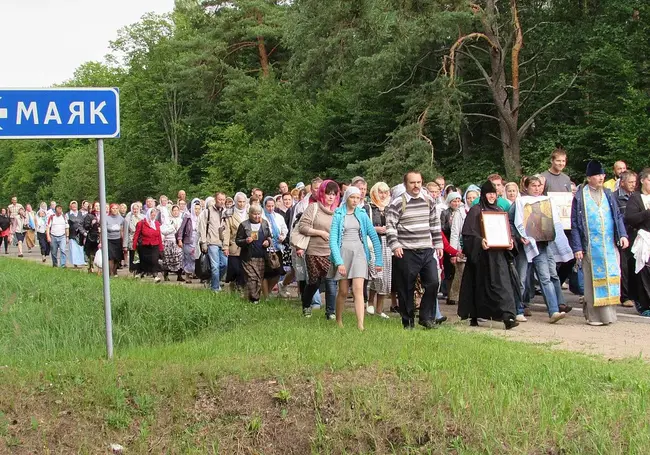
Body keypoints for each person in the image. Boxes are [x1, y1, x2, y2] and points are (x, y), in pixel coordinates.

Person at [570, 160, 629, 326]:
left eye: (602, 174)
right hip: (590, 246)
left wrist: (622, 235)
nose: (601, 178)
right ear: (589, 178)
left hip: (609, 245)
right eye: (597, 175)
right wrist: (577, 247)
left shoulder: (609, 193)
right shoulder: (580, 196)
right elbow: (574, 223)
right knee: (591, 282)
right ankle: (594, 317)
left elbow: (617, 216)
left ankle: (609, 315)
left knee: (611, 278)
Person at [386, 171, 444, 330]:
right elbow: (390, 226)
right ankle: (408, 321)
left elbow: (434, 223)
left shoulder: (428, 200)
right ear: (406, 184)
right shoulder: (398, 203)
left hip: (426, 249)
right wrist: (395, 245)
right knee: (406, 288)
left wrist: (438, 244)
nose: (416, 185)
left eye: (418, 182)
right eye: (412, 182)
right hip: (406, 251)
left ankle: (426, 317)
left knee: (433, 282)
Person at [458, 181, 519, 329]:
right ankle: (475, 314)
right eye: (489, 193)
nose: (491, 196)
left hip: (499, 257)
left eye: (494, 193)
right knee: (478, 286)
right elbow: (468, 234)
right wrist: (480, 242)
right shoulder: (475, 211)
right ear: (484, 195)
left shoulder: (499, 211)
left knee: (503, 286)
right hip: (481, 259)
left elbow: (507, 232)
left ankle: (508, 316)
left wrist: (511, 243)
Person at [513, 176, 574, 323]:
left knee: (545, 277)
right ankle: (517, 309)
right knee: (522, 278)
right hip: (525, 245)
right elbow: (512, 222)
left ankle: (553, 310)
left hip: (542, 244)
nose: (537, 188)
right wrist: (518, 237)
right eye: (533, 185)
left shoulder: (547, 201)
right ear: (527, 187)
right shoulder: (519, 202)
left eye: (539, 185)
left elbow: (552, 222)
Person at [329, 186, 383, 330]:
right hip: (343, 253)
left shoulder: (362, 214)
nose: (355, 200)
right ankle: (339, 320)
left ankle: (361, 325)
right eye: (352, 197)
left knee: (358, 289)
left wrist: (378, 260)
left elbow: (373, 236)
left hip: (359, 253)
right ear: (346, 198)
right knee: (343, 291)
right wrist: (338, 261)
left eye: (357, 198)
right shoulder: (339, 214)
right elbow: (333, 239)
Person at [297, 180, 339, 318]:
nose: (331, 197)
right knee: (314, 282)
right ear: (322, 194)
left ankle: (330, 312)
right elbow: (302, 227)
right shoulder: (313, 208)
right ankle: (306, 305)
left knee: (331, 283)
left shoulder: (338, 211)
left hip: (331, 252)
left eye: (334, 194)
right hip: (314, 252)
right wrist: (320, 233)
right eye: (328, 194)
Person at [625, 168, 650, 317]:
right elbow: (630, 218)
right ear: (643, 180)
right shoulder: (636, 198)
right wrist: (647, 213)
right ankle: (644, 303)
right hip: (643, 238)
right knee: (644, 272)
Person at [235, 205, 272, 303]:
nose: (256, 216)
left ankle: (255, 298)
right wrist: (245, 241)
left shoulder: (264, 223)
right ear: (250, 214)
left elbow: (269, 236)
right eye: (254, 214)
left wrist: (268, 242)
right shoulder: (244, 225)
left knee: (259, 278)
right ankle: (254, 299)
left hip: (261, 256)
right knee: (252, 277)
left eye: (258, 214)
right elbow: (238, 240)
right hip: (248, 257)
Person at [367, 182, 393, 319]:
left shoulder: (391, 207)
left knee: (387, 277)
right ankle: (370, 301)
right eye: (380, 192)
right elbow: (364, 225)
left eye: (385, 192)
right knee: (377, 274)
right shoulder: (369, 207)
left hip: (388, 242)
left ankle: (380, 308)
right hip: (374, 241)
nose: (383, 195)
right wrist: (375, 229)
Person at [198, 194, 228, 292]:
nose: (222, 201)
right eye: (220, 199)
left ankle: (214, 281)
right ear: (216, 200)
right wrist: (203, 242)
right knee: (215, 266)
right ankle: (215, 289)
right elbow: (202, 228)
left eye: (223, 200)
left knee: (224, 264)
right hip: (212, 242)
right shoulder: (207, 212)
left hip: (223, 243)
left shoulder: (226, 212)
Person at [616, 171, 637, 308]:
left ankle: (634, 294)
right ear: (622, 182)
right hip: (622, 236)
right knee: (623, 266)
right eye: (630, 182)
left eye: (635, 182)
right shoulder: (614, 198)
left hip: (635, 235)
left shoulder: (635, 197)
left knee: (634, 265)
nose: (633, 185)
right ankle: (624, 296)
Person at [261, 196, 288, 297]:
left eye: (272, 206)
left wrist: (283, 236)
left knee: (278, 271)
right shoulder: (261, 217)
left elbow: (284, 229)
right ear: (264, 206)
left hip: (278, 247)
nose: (271, 208)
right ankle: (266, 295)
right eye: (268, 206)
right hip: (266, 248)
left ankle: (268, 290)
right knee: (265, 273)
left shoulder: (279, 217)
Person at [444, 191, 466, 306]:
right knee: (457, 272)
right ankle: (452, 295)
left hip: (463, 246)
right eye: (454, 200)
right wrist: (453, 253)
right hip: (450, 244)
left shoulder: (465, 211)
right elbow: (453, 232)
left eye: (458, 200)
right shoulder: (447, 213)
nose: (457, 203)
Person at [223, 193, 248, 291]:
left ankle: (241, 288)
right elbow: (226, 231)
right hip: (234, 245)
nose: (241, 204)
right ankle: (233, 284)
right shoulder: (230, 214)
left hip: (246, 246)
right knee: (235, 268)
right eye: (239, 202)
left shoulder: (249, 213)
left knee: (244, 269)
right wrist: (225, 246)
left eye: (243, 202)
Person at [133, 207, 164, 282]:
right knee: (144, 261)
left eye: (154, 214)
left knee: (154, 260)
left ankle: (155, 276)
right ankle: (141, 273)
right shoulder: (141, 223)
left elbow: (159, 235)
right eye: (151, 214)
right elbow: (136, 235)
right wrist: (134, 246)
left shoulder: (156, 224)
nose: (153, 216)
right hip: (144, 245)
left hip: (155, 245)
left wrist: (161, 248)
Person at [177, 199, 201, 283]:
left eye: (198, 209)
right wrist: (180, 239)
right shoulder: (188, 217)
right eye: (195, 208)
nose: (197, 211)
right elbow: (181, 229)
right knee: (188, 258)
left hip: (198, 240)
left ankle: (196, 273)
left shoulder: (201, 218)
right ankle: (188, 275)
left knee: (196, 258)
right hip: (188, 239)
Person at [161, 205, 184, 281]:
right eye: (174, 210)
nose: (176, 212)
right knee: (168, 259)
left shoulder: (181, 220)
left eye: (177, 210)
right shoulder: (168, 220)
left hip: (178, 242)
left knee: (179, 258)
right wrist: (172, 228)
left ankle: (179, 275)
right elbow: (163, 231)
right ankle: (166, 274)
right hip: (169, 241)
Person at [123, 202, 145, 276]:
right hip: (132, 239)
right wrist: (125, 245)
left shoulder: (143, 218)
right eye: (134, 209)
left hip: (141, 239)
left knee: (141, 255)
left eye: (137, 209)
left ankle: (141, 271)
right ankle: (134, 271)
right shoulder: (128, 219)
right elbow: (126, 232)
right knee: (133, 255)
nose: (135, 210)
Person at [105, 204, 125, 277]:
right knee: (111, 257)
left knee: (117, 256)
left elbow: (122, 230)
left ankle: (115, 271)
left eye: (116, 208)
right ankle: (110, 273)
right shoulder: (106, 218)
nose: (115, 210)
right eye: (113, 208)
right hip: (109, 239)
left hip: (118, 239)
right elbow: (102, 231)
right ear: (110, 209)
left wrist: (123, 241)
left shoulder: (121, 219)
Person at [67, 201, 87, 268]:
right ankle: (75, 263)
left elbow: (83, 223)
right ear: (70, 207)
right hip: (72, 234)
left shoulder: (80, 213)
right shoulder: (68, 214)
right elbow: (66, 225)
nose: (74, 207)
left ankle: (80, 262)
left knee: (80, 248)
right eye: (73, 206)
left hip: (80, 234)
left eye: (75, 205)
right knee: (74, 249)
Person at [83, 202, 101, 273]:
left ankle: (100, 268)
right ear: (93, 207)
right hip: (92, 237)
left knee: (99, 252)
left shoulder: (103, 214)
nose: (98, 207)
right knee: (91, 253)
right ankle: (91, 266)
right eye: (96, 206)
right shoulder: (90, 216)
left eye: (99, 206)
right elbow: (86, 226)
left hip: (100, 236)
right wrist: (91, 224)